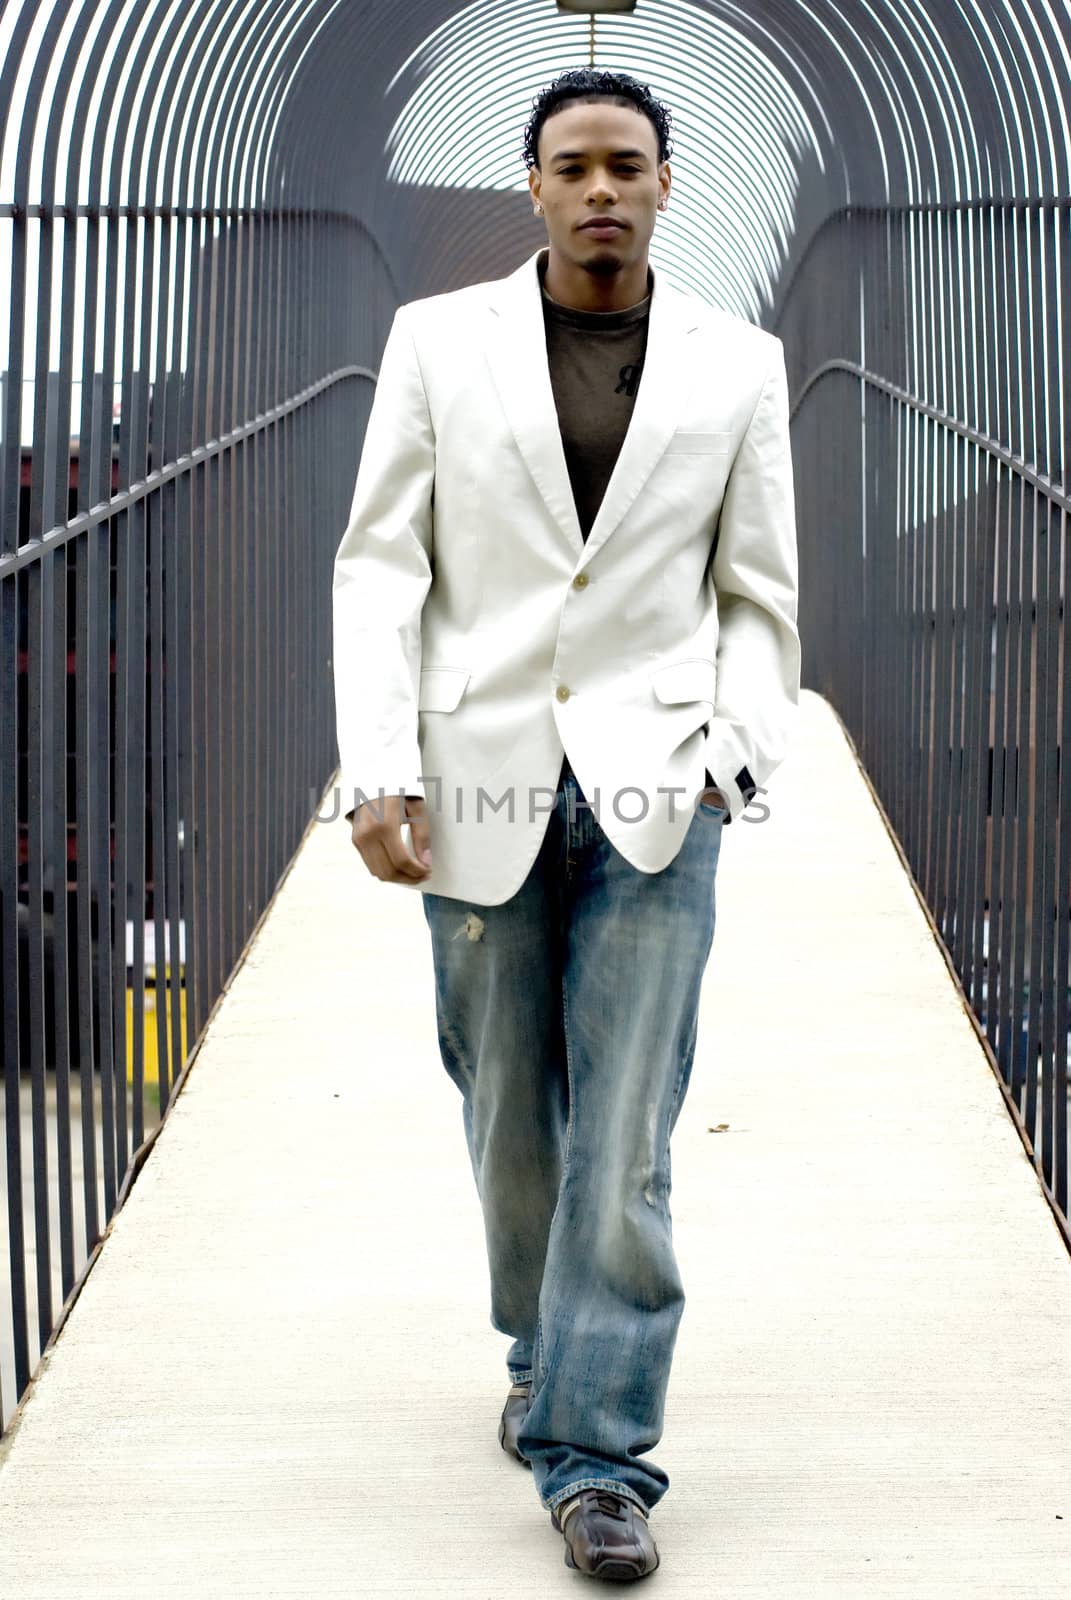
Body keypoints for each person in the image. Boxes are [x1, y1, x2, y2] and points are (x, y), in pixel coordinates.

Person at [332, 66, 800, 1584]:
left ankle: (600, 1458)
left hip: (663, 785)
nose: (601, 188)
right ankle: (541, 1341)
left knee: (626, 1138)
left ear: (667, 183)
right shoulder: (432, 345)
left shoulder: (739, 365)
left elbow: (759, 594)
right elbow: (380, 568)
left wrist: (737, 745)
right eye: (573, 166)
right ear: (534, 185)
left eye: (627, 165)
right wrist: (377, 765)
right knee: (506, 1110)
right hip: (478, 773)